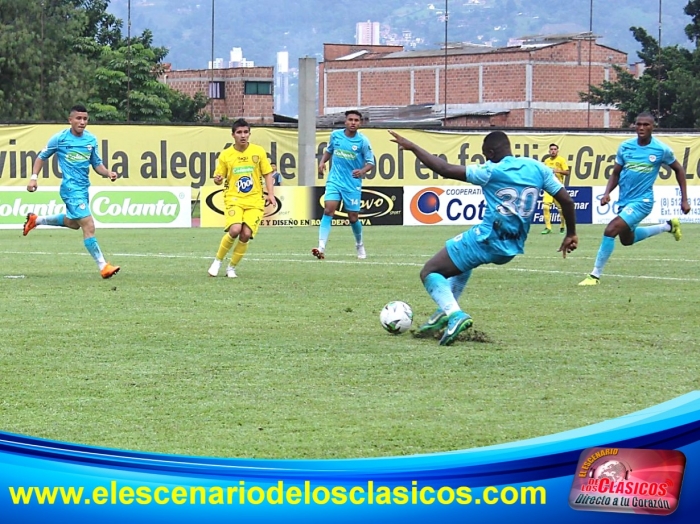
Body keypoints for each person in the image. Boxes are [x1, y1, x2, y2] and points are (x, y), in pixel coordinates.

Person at [389, 130, 578, 346]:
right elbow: (567, 201)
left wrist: (413, 147)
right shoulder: (538, 168)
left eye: (485, 154)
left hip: (487, 240)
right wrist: (571, 233)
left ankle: (454, 314)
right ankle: (443, 311)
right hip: (512, 246)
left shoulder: (491, 171)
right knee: (461, 260)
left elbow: (444, 169)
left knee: (429, 271)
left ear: (490, 152)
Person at [578, 112, 690, 286]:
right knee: (626, 240)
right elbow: (616, 172)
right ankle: (668, 226)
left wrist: (684, 199)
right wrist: (607, 192)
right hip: (625, 201)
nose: (641, 128)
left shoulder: (661, 150)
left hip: (643, 202)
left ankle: (594, 275)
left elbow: (679, 170)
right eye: (638, 124)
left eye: (646, 125)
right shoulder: (625, 147)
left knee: (611, 229)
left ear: (653, 127)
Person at [22, 104, 120, 279]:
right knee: (88, 225)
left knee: (74, 223)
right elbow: (41, 156)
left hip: (83, 189)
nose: (82, 122)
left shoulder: (91, 140)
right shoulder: (59, 139)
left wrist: (108, 173)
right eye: (78, 118)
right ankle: (103, 266)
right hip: (70, 189)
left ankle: (37, 220)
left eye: (85, 119)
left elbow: (96, 164)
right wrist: (33, 177)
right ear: (70, 120)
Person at [207, 118, 274, 278]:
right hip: (234, 199)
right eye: (239, 132)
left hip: (255, 201)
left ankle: (231, 267)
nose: (243, 135)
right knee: (235, 229)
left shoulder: (258, 152)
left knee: (245, 234)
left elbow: (267, 173)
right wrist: (217, 180)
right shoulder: (226, 155)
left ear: (249, 134)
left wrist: (270, 194)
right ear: (233, 135)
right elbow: (219, 177)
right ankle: (217, 261)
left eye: (245, 132)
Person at [312, 109, 375, 260]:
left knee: (353, 217)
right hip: (335, 180)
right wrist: (322, 163)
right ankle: (321, 246)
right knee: (328, 210)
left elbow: (371, 162)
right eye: (351, 120)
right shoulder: (336, 135)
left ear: (360, 123)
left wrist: (362, 170)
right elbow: (329, 151)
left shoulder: (363, 141)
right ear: (345, 121)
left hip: (352, 183)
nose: (353, 123)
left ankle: (359, 244)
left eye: (356, 120)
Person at [542, 143, 570, 234]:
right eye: (551, 149)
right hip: (548, 187)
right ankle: (548, 227)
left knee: (561, 209)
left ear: (557, 151)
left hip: (558, 187)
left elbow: (567, 172)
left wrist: (558, 170)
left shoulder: (561, 160)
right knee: (545, 206)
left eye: (555, 149)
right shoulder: (546, 161)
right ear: (549, 151)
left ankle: (562, 226)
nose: (553, 151)